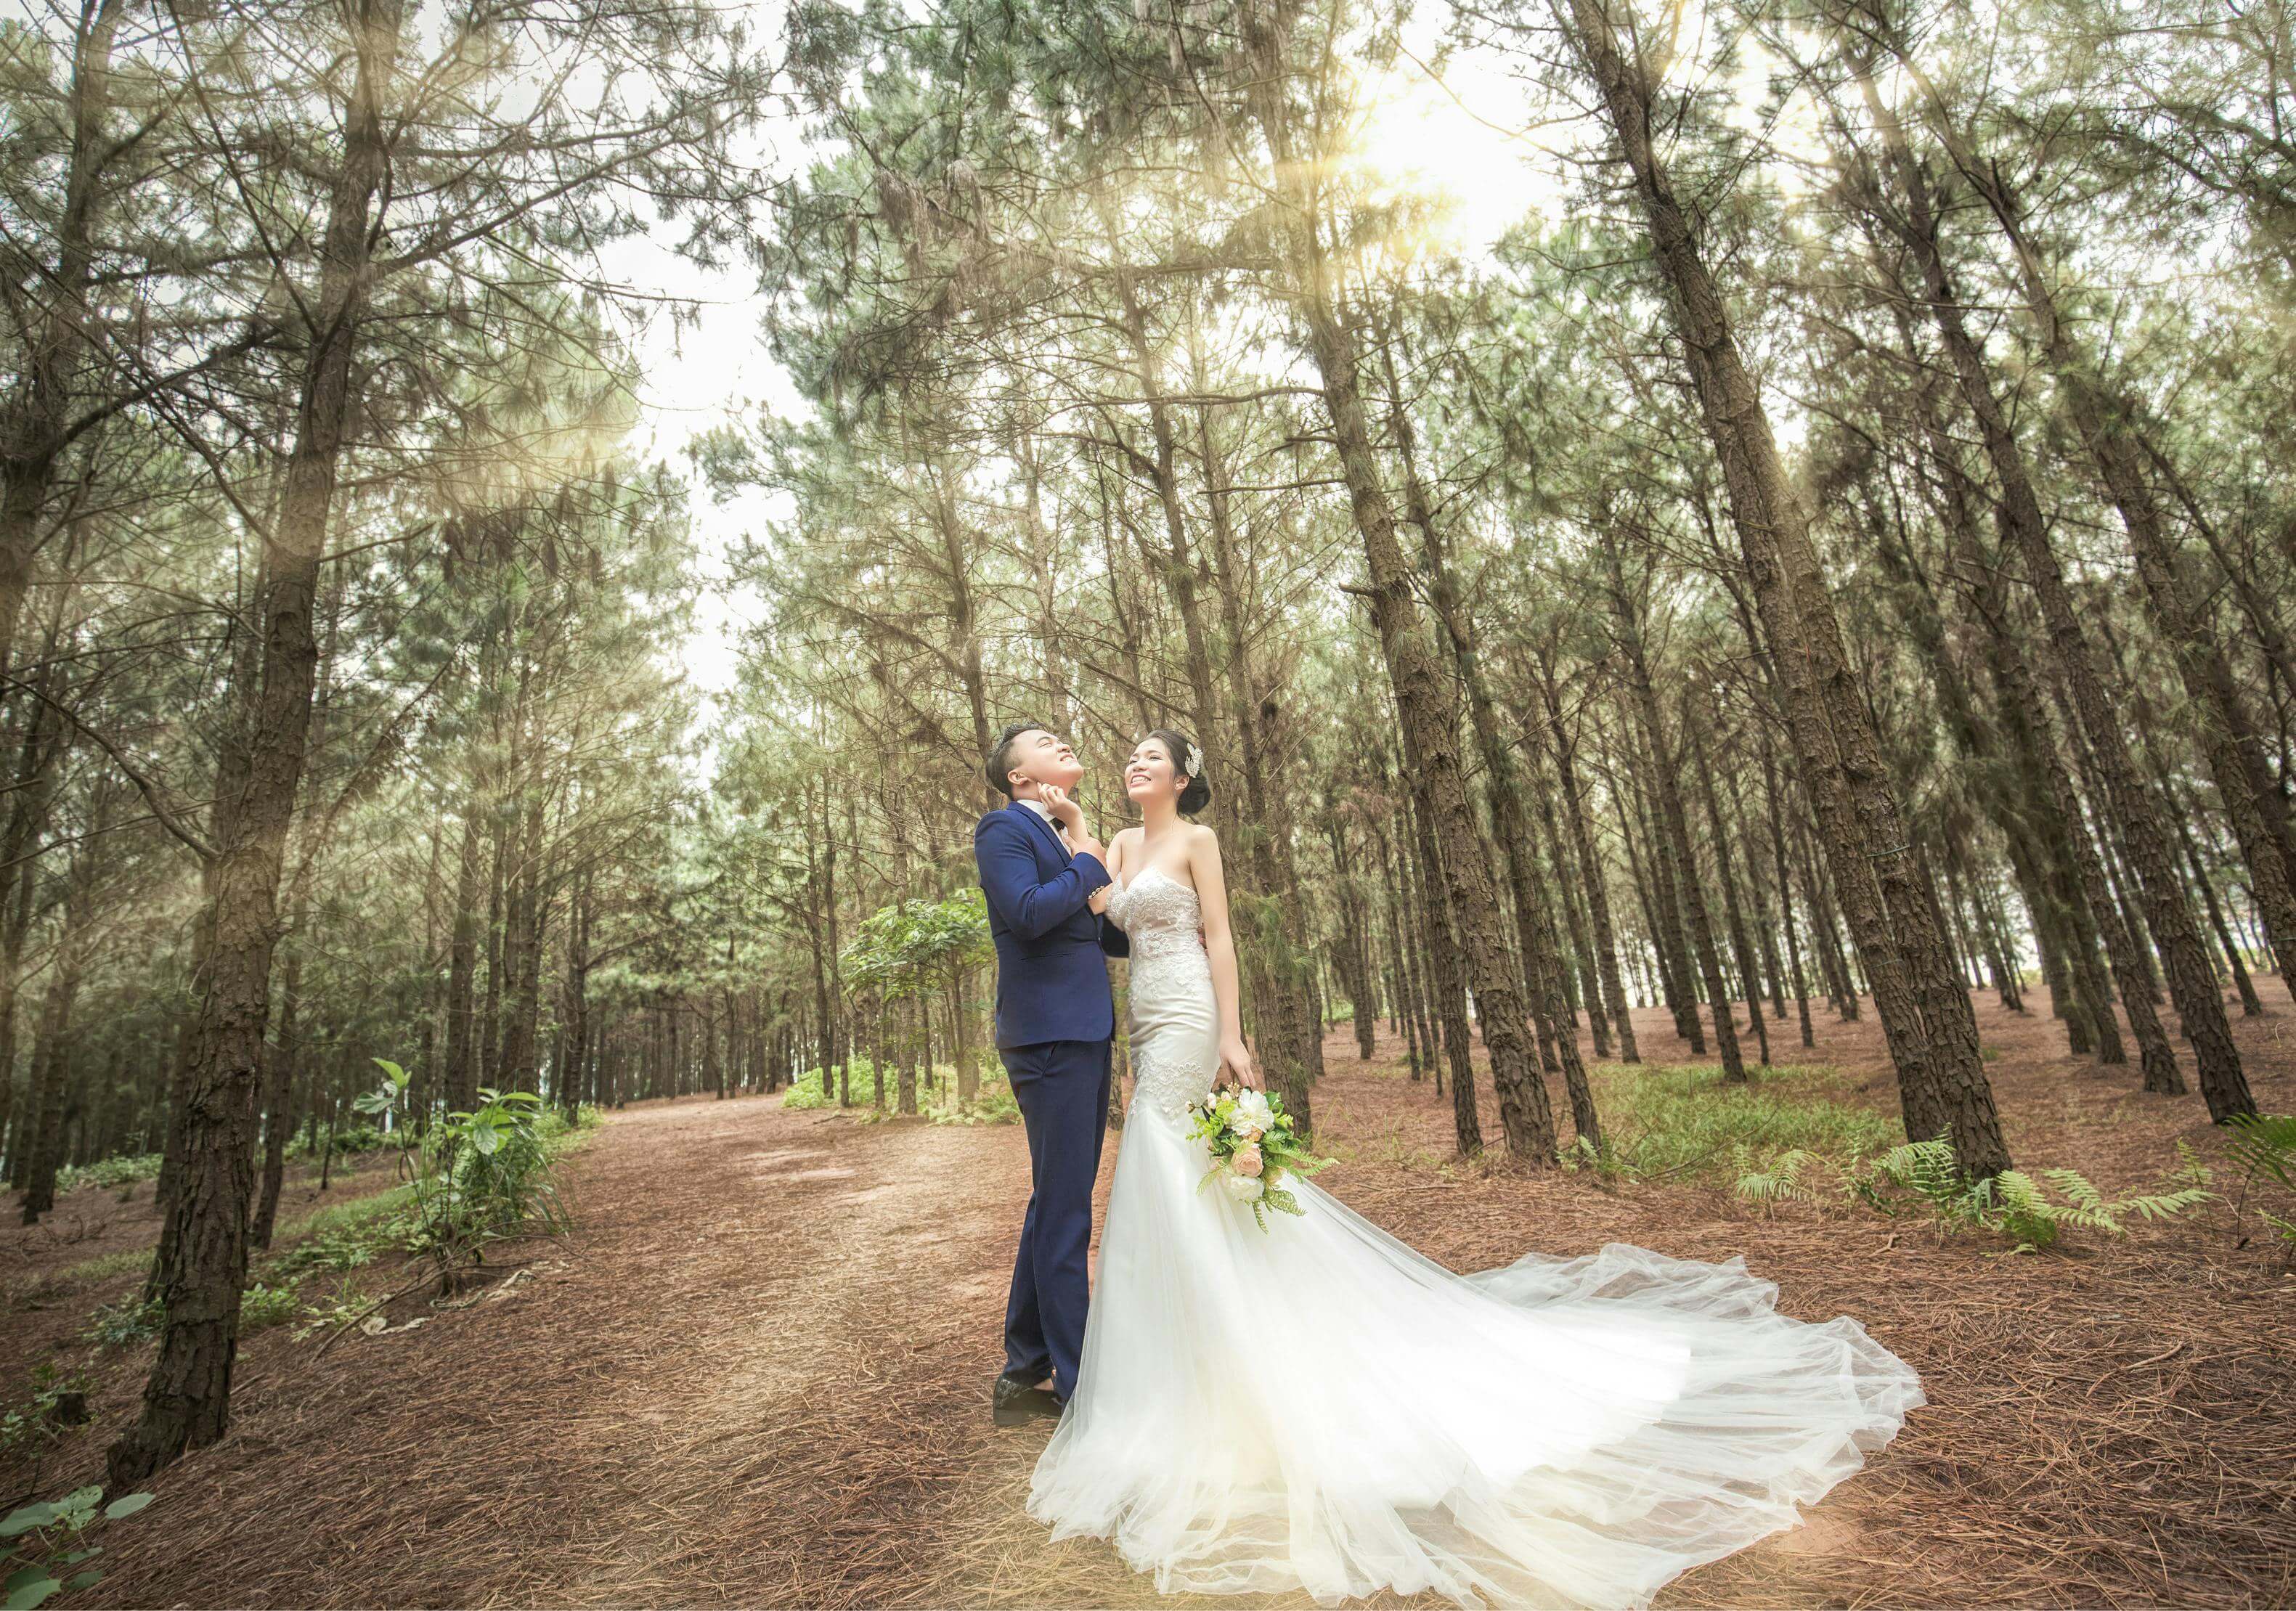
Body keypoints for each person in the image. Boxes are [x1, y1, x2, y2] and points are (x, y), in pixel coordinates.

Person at [1026, 729, 1926, 1610]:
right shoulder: (1119, 842)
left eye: (1153, 756)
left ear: (1183, 777)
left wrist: (1232, 1031)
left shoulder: (1199, 840)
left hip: (1190, 1013)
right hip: (1145, 1020)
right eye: (1132, 755)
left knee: (1182, 1169)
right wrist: (1074, 829)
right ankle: (1184, 1369)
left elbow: (1219, 938)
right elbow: (1106, 914)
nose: (1136, 762)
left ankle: (1240, 1361)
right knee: (1167, 1179)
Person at [972, 722, 1128, 1428]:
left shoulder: (1064, 837)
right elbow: (1031, 914)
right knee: (1066, 1213)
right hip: (1049, 1037)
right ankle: (1081, 1386)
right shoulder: (1003, 829)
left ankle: (1024, 1370)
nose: (1063, 739)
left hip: (1084, 1032)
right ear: (1018, 776)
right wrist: (1089, 855)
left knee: (1054, 1203)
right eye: (1044, 740)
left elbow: (1100, 932)